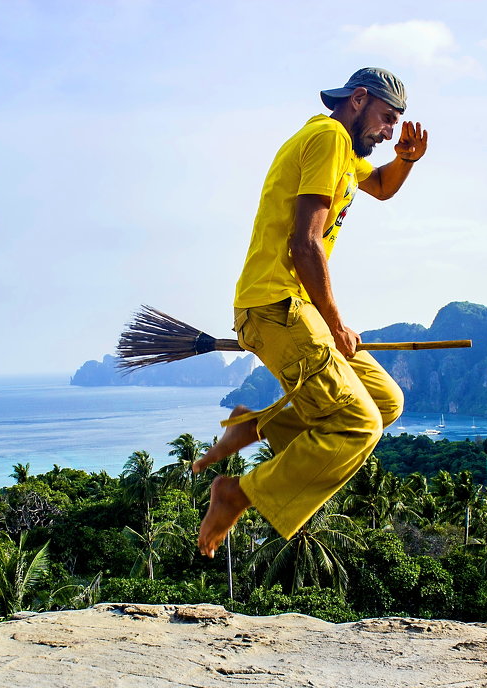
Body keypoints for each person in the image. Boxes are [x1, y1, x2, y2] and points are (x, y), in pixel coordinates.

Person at [193, 67, 427, 558]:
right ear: (358, 99)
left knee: (385, 404)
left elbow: (381, 186)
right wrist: (336, 323)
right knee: (358, 424)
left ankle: (256, 423)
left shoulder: (342, 149)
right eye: (387, 120)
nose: (388, 134)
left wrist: (406, 160)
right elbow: (305, 243)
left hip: (296, 306)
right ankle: (238, 492)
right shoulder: (328, 139)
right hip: (276, 304)